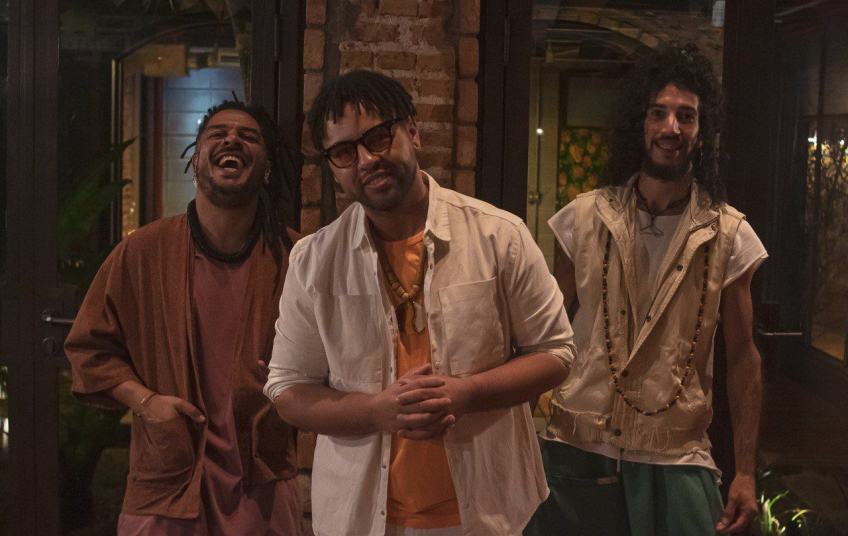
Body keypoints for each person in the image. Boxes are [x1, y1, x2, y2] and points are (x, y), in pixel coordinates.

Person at [264, 70, 576, 536]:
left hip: (486, 514)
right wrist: (375, 411)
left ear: (412, 131)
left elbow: (556, 352)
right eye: (344, 152)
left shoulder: (498, 236)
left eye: (378, 137)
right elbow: (288, 390)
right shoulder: (314, 260)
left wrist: (468, 394)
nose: (367, 160)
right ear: (332, 167)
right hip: (362, 518)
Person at [526, 43, 767, 536]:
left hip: (676, 454)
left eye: (686, 116)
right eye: (658, 113)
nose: (671, 128)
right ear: (640, 123)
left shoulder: (730, 235)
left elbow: (743, 357)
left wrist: (744, 471)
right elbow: (543, 336)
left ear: (702, 131)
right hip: (576, 446)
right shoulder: (582, 218)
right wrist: (515, 439)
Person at [65, 100, 303, 535]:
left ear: (267, 169)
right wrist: (147, 402)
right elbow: (88, 349)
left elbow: (334, 360)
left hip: (263, 491)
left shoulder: (296, 257)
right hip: (165, 490)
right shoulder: (143, 252)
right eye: (217, 133)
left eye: (248, 136)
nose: (232, 139)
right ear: (195, 160)